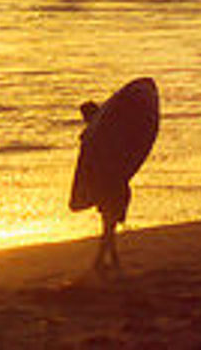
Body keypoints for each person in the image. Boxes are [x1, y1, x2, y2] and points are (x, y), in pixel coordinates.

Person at [80, 99, 129, 274]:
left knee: (109, 224)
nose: (84, 120)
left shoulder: (94, 137)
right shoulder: (107, 135)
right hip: (111, 184)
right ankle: (107, 261)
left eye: (85, 116)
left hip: (108, 184)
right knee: (109, 223)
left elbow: (89, 165)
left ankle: (104, 261)